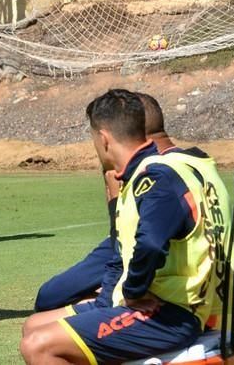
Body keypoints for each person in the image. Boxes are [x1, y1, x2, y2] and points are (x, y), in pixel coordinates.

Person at [20, 89, 231, 364]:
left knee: (38, 346)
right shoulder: (186, 165)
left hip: (174, 312)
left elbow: (150, 243)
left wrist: (133, 292)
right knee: (33, 325)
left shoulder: (156, 176)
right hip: (185, 302)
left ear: (104, 138)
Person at [34, 91, 176, 312]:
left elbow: (125, 238)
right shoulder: (189, 161)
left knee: (48, 299)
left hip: (133, 247)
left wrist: (113, 190)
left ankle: (109, 303)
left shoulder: (150, 170)